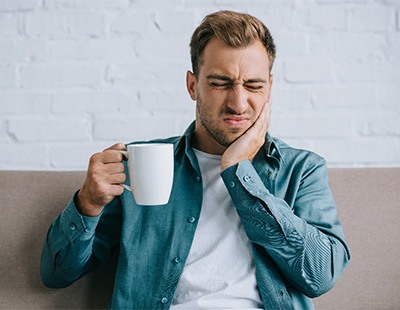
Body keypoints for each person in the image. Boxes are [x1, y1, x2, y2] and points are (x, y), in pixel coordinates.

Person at [40, 10, 350, 310]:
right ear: (192, 86)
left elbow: (320, 275)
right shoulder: (137, 164)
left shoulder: (302, 170)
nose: (238, 103)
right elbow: (57, 274)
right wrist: (88, 204)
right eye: (220, 83)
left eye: (254, 86)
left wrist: (238, 170)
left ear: (270, 88)